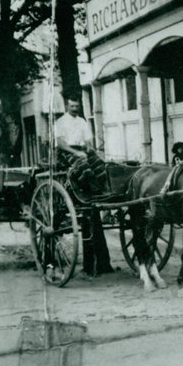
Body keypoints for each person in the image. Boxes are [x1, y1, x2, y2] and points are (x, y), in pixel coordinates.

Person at [54, 96, 114, 276]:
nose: (75, 109)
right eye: (72, 106)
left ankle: (102, 191)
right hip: (66, 153)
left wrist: (89, 149)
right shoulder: (60, 122)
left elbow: (88, 140)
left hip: (81, 151)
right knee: (84, 167)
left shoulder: (82, 121)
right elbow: (60, 143)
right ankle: (90, 191)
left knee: (101, 165)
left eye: (77, 106)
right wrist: (76, 152)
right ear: (67, 106)